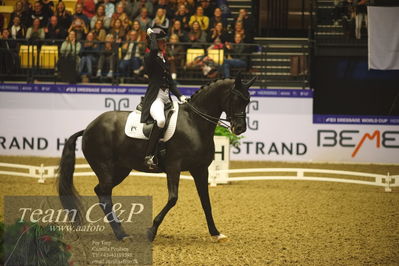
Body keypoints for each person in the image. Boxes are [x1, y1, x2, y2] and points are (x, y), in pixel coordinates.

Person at [141, 28, 187, 169]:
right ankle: (149, 155)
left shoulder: (162, 58)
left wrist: (180, 96)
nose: (165, 44)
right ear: (155, 42)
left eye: (165, 41)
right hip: (156, 98)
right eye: (162, 42)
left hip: (167, 97)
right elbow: (153, 49)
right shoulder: (150, 57)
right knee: (160, 121)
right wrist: (152, 36)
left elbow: (170, 82)